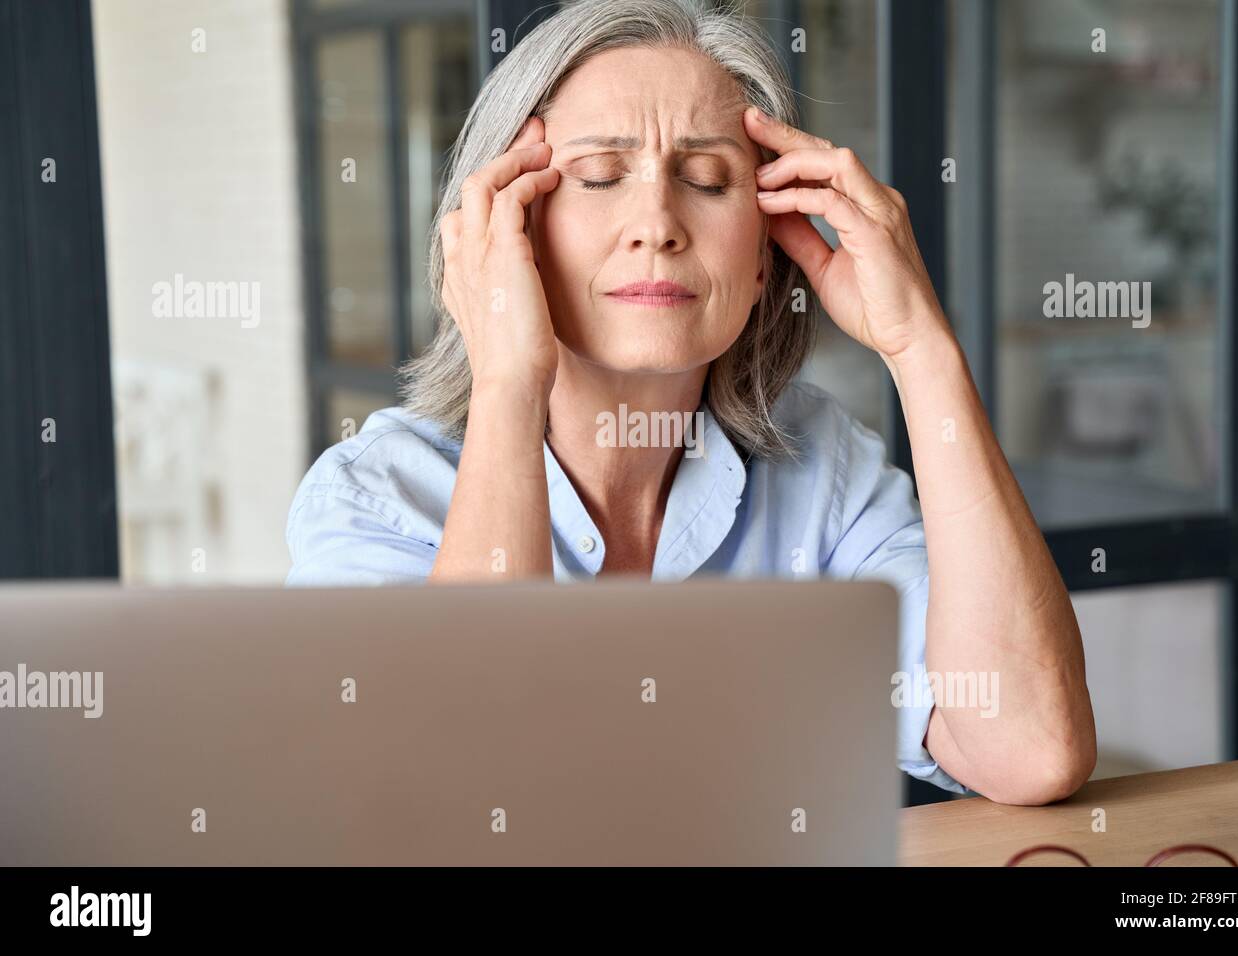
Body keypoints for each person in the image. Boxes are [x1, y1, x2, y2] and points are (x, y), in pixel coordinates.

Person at [286, 0, 1097, 805]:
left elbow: (1030, 748)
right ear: (509, 232)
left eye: (707, 181)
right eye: (600, 177)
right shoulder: (377, 501)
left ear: (762, 256)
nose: (657, 224)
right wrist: (507, 383)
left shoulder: (822, 475)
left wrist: (921, 348)